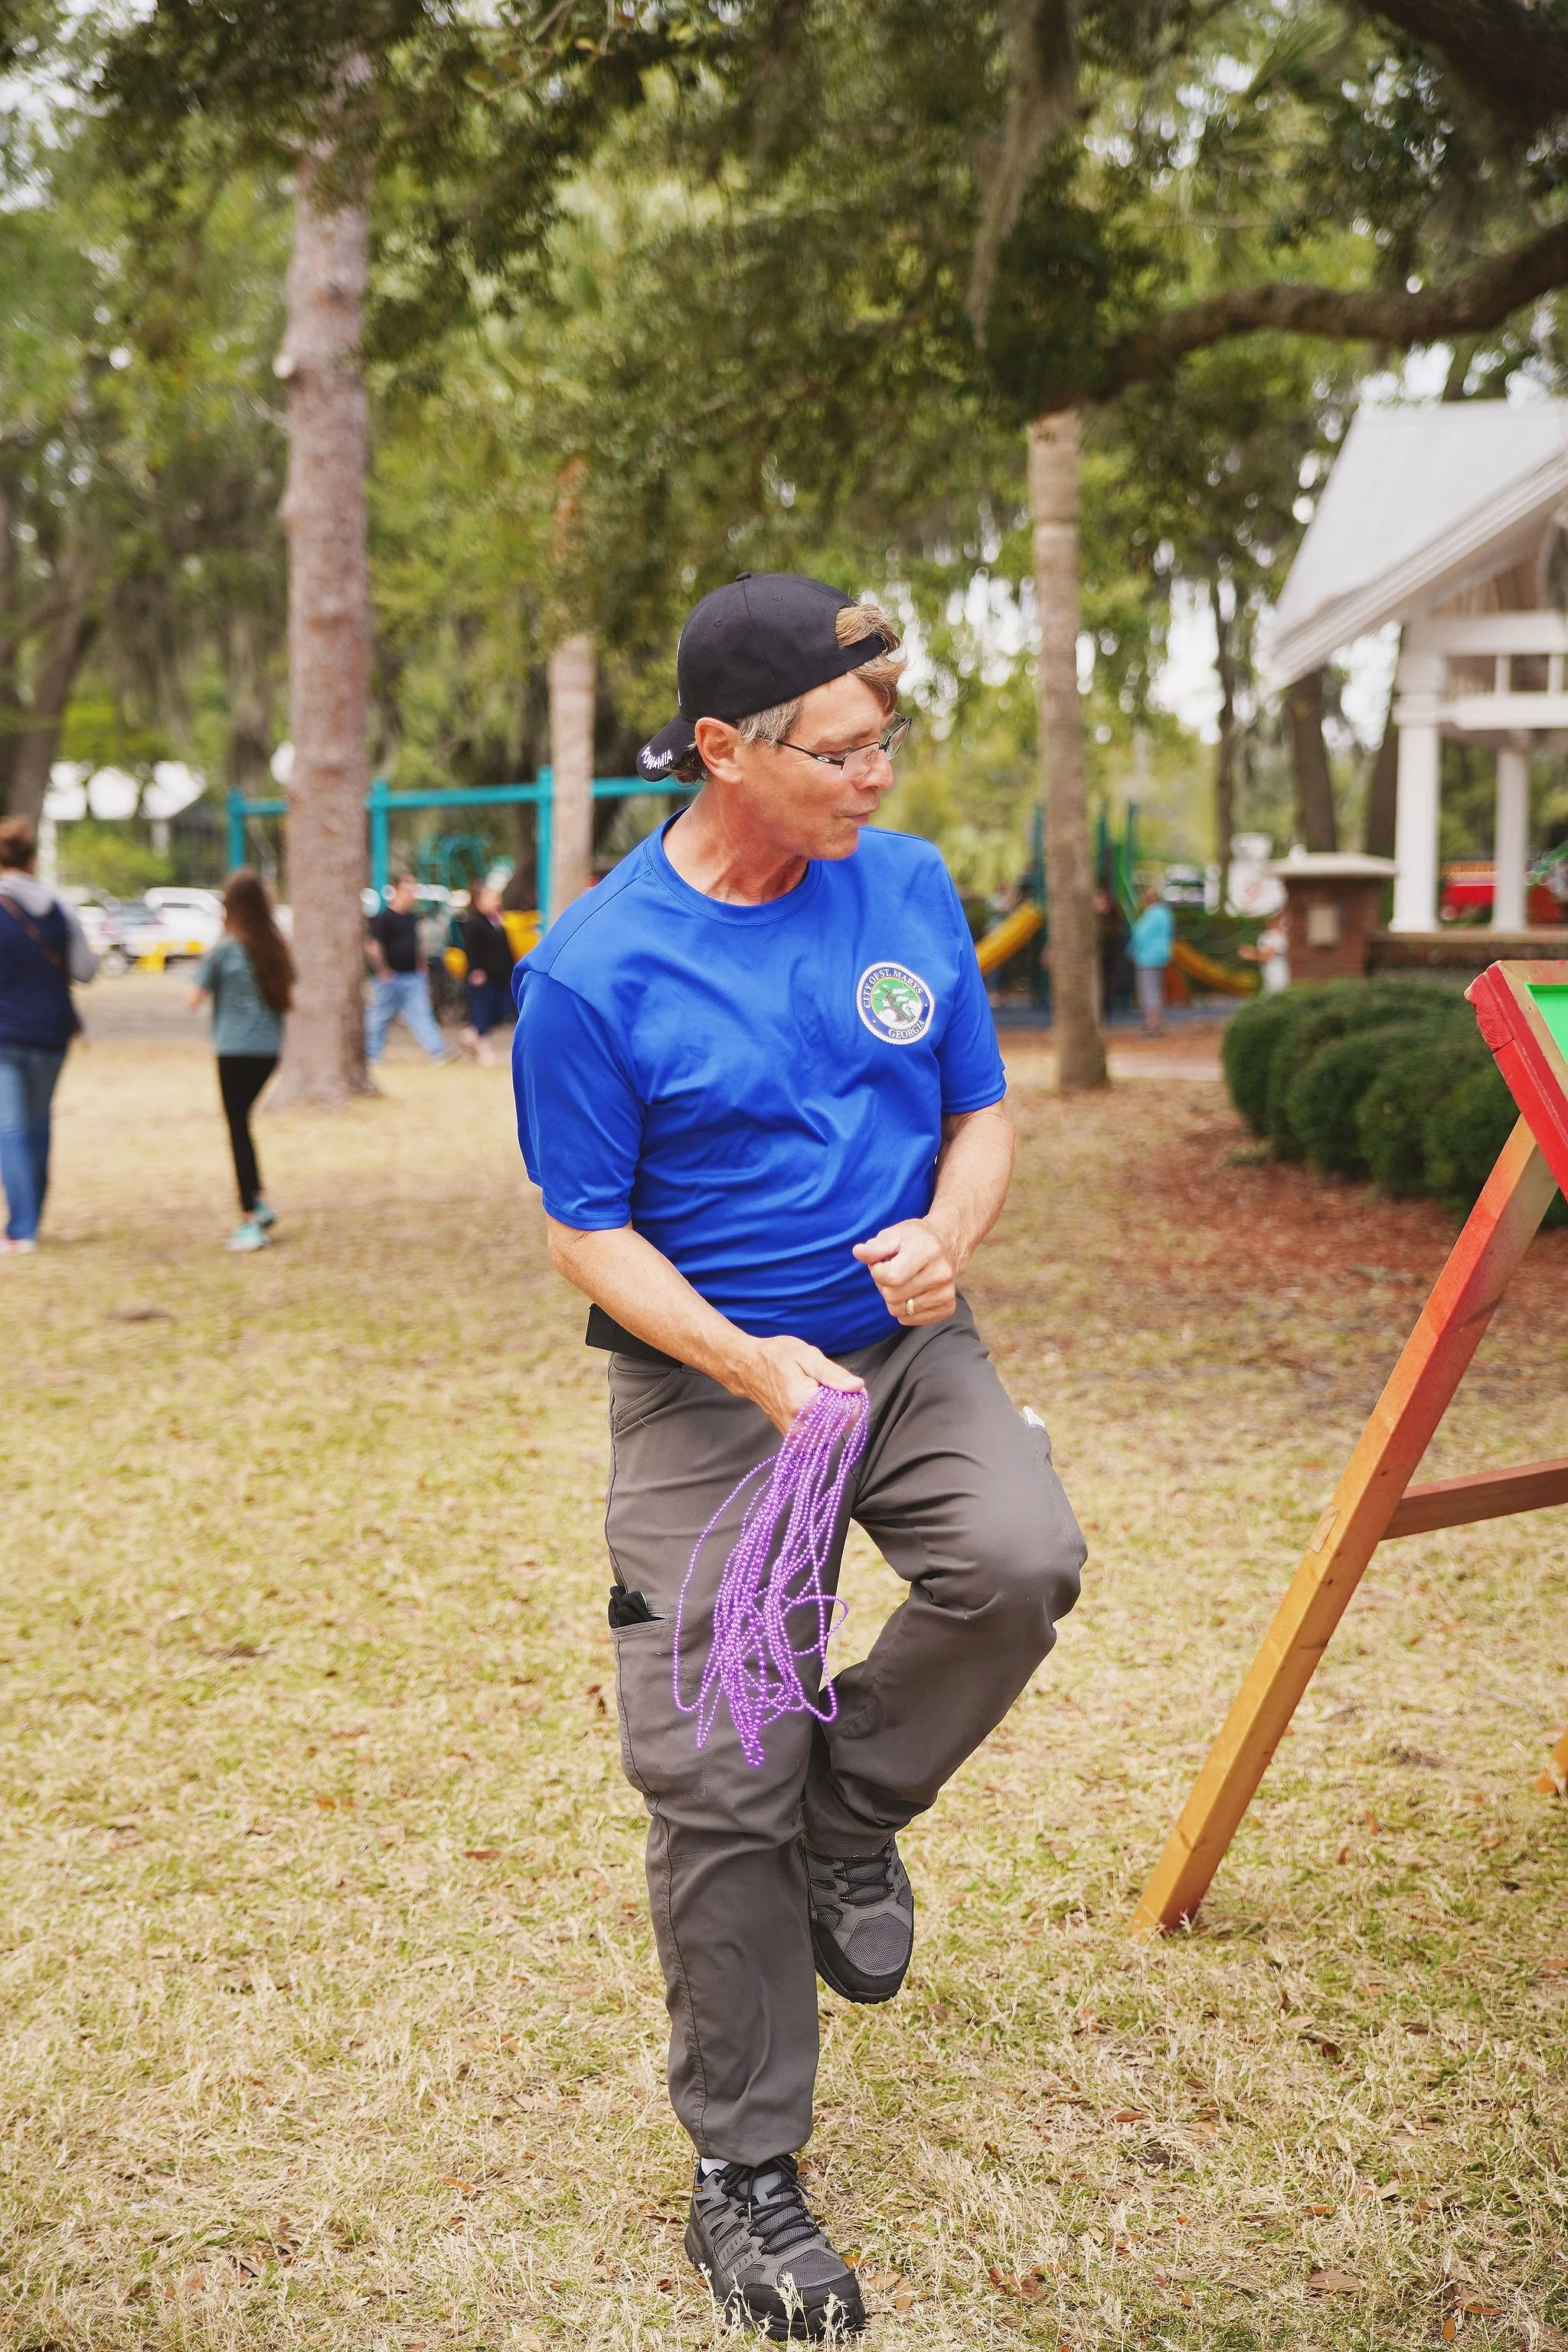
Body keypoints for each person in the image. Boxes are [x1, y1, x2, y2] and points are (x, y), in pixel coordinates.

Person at [513, 574, 1086, 2341]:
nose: (875, 775)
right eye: (841, 749)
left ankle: (854, 1810)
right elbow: (582, 1228)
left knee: (1018, 1558)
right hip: (711, 1392)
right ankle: (745, 2168)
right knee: (714, 1774)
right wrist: (741, 1355)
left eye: (884, 737)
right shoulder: (592, 969)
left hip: (905, 1351)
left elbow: (977, 1109)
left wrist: (950, 1229)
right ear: (722, 752)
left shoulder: (900, 886)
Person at [0, 815, 97, 1254]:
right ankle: (29, 1220)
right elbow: (85, 970)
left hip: (6, 1034)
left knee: (11, 1129)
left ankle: (22, 1230)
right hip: (53, 1034)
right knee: (36, 1127)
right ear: (33, 860)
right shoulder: (60, 908)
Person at [188, 867, 295, 1252]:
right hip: (269, 1052)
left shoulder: (226, 948)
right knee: (243, 1124)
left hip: (233, 1050)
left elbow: (192, 999)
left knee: (237, 1128)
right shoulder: (276, 946)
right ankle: (258, 1200)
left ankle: (250, 1216)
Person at [365, 873, 452, 1064]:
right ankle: (372, 1055)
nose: (411, 895)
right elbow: (373, 945)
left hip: (412, 976)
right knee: (378, 1017)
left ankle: (437, 1051)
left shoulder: (412, 918)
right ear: (396, 891)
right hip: (389, 978)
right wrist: (382, 970)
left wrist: (421, 964)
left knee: (421, 1014)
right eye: (407, 890)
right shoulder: (385, 918)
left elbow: (416, 943)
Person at [459, 881, 515, 1067]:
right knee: (482, 1010)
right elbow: (471, 949)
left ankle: (470, 1036)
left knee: (500, 1011)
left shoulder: (497, 921)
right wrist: (475, 970)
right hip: (483, 976)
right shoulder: (473, 923)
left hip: (501, 975)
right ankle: (484, 1049)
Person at [1128, 883, 1175, 1036]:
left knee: (1149, 990)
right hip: (1161, 956)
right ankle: (1157, 1024)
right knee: (1156, 989)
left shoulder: (1151, 915)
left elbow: (1140, 935)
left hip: (1147, 957)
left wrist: (1130, 950)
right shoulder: (1166, 914)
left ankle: (1152, 1025)